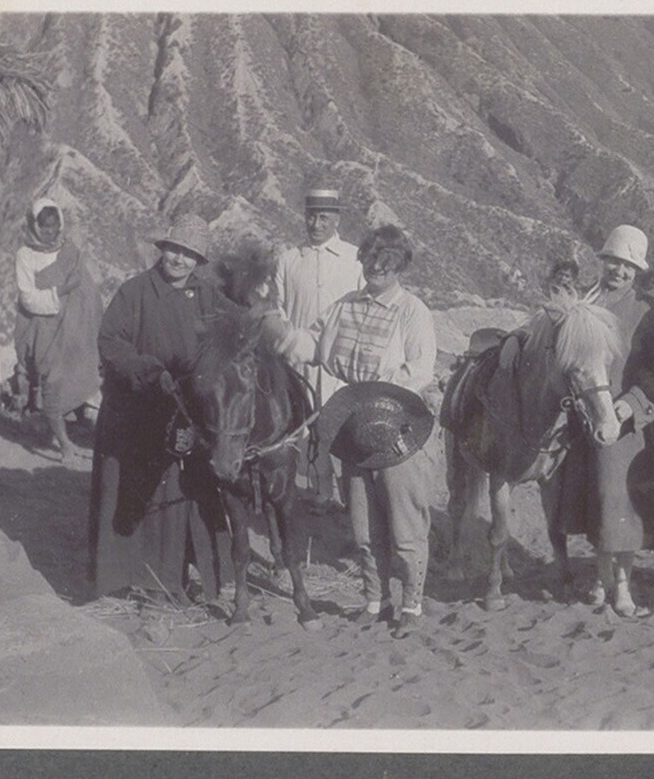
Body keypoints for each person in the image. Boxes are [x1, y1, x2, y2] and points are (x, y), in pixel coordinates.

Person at [267, 225, 437, 639]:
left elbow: (419, 369)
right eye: (371, 259)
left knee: (405, 526)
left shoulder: (412, 311)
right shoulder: (345, 306)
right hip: (353, 426)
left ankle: (412, 605)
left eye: (387, 262)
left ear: (400, 267)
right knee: (363, 525)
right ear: (362, 261)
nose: (377, 268)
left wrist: (377, 390)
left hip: (399, 425)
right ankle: (375, 601)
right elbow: (313, 345)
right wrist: (280, 333)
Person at [90, 214, 232, 604]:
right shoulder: (135, 292)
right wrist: (150, 372)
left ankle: (175, 578)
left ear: (198, 261)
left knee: (182, 497)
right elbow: (110, 341)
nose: (179, 259)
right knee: (136, 494)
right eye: (174, 250)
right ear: (163, 249)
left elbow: (229, 333)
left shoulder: (208, 297)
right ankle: (131, 580)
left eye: (189, 254)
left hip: (188, 412)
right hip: (136, 409)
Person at [551, 224, 654, 618]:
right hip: (586, 419)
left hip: (629, 425)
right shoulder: (584, 301)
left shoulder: (650, 311)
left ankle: (622, 586)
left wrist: (630, 405)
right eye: (614, 262)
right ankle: (603, 579)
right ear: (602, 261)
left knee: (623, 506)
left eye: (627, 265)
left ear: (637, 271)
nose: (619, 270)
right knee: (598, 504)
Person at [275, 188, 365, 509]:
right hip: (298, 364)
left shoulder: (355, 260)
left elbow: (365, 309)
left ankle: (354, 504)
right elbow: (279, 310)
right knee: (304, 433)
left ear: (337, 219)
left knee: (341, 432)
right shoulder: (289, 260)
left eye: (324, 217)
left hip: (341, 367)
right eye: (311, 217)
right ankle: (319, 494)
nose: (316, 224)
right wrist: (289, 347)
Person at [12, 198, 103, 469]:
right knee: (51, 383)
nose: (49, 232)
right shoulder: (25, 256)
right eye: (44, 226)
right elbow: (28, 298)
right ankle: (64, 444)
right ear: (34, 226)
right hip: (43, 329)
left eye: (53, 226)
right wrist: (62, 290)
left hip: (73, 328)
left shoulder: (68, 250)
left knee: (75, 378)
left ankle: (62, 433)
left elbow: (87, 289)